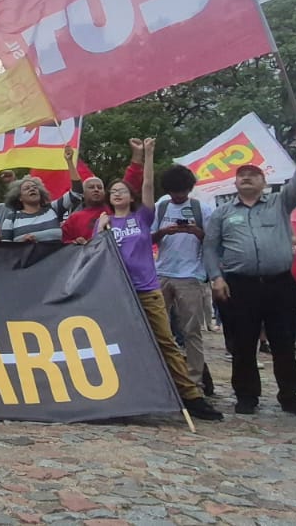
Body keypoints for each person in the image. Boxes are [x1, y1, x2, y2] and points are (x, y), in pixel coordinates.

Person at [83, 139, 223, 421]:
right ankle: (124, 393)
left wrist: (148, 155)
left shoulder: (142, 217)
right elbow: (94, 253)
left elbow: (147, 187)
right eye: (114, 192)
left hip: (147, 290)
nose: (117, 193)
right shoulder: (105, 222)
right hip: (117, 292)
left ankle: (191, 395)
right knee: (118, 341)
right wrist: (99, 228)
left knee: (166, 341)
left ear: (130, 196)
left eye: (122, 190)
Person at [204, 133, 296, 418]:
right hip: (240, 286)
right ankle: (246, 396)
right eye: (242, 175)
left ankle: (290, 396)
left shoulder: (279, 204)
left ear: (263, 182)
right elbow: (210, 247)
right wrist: (216, 277)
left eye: (253, 175)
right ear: (235, 183)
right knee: (243, 344)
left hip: (279, 284)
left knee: (283, 342)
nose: (247, 178)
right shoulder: (223, 213)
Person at [151, 164, 214, 397]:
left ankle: (194, 381)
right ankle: (159, 375)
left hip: (191, 275)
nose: (179, 196)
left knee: (192, 331)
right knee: (157, 328)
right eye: (174, 192)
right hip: (163, 272)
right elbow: (148, 238)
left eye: (183, 192)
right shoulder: (161, 206)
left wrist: (196, 232)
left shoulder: (202, 209)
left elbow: (211, 241)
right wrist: (164, 232)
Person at [63, 140, 145, 244]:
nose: (96, 189)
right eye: (91, 187)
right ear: (83, 193)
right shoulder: (74, 219)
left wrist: (137, 154)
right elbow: (62, 243)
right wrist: (74, 242)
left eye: (99, 187)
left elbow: (130, 181)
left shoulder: (116, 208)